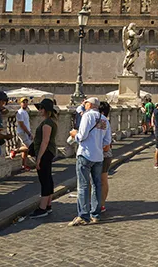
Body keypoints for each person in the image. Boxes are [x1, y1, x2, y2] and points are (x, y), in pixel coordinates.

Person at [68, 97, 110, 226]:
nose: (84, 105)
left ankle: (83, 216)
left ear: (90, 105)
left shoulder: (87, 116)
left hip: (85, 154)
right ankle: (95, 214)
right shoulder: (104, 120)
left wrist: (74, 134)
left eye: (86, 103)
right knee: (97, 185)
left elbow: (82, 136)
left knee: (83, 186)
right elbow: (107, 141)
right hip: (98, 156)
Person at [29, 98, 58, 218]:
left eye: (41, 108)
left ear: (46, 110)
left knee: (44, 179)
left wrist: (39, 158)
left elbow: (44, 142)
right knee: (48, 178)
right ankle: (48, 204)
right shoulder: (51, 122)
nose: (39, 110)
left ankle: (42, 207)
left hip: (45, 153)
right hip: (49, 152)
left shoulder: (47, 124)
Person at [98, 101, 113, 214]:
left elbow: (106, 144)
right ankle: (101, 203)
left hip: (102, 154)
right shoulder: (105, 121)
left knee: (101, 180)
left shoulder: (102, 121)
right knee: (103, 180)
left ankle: (100, 203)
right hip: (104, 154)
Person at [10, 98, 33, 171]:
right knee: (30, 147)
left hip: (26, 131)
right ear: (20, 103)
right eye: (23, 102)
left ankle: (24, 165)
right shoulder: (20, 112)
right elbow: (22, 124)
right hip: (23, 132)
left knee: (25, 149)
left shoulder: (25, 112)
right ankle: (15, 150)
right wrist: (29, 133)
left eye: (26, 102)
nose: (25, 103)